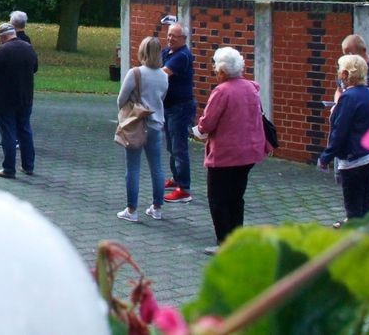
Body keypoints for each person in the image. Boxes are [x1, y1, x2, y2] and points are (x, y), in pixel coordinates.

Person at [192, 47, 268, 254]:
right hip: (248, 153)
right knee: (236, 197)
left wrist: (196, 130)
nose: (215, 72)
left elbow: (207, 124)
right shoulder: (251, 88)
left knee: (217, 198)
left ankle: (224, 243)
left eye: (216, 68)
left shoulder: (222, 91)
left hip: (225, 154)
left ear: (223, 71)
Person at [318, 54, 369, 225]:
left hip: (354, 161)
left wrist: (326, 157)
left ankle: (355, 246)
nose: (338, 73)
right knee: (365, 209)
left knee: (353, 212)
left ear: (345, 74)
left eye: (339, 70)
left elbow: (340, 131)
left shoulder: (348, 97)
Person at [115, 36, 169, 223]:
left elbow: (121, 98)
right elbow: (162, 97)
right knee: (157, 167)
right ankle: (157, 207)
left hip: (137, 123)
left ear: (143, 52)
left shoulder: (135, 72)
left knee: (133, 168)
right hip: (156, 124)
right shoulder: (163, 75)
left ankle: (132, 210)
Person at [335, 34, 369, 211]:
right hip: (349, 125)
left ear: (361, 51)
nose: (346, 56)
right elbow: (338, 90)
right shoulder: (345, 67)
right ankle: (353, 213)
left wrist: (359, 104)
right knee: (347, 177)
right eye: (344, 53)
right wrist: (339, 102)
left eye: (349, 52)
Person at [0, 23, 39, 179]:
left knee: (8, 132)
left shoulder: (1, 50)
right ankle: (28, 165)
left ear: (2, 36)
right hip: (25, 97)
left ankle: (8, 168)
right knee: (25, 130)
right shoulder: (28, 48)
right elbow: (35, 68)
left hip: (5, 98)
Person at [162, 22, 195, 203]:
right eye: (169, 34)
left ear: (183, 39)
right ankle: (176, 179)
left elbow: (162, 73)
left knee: (179, 148)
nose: (170, 38)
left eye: (174, 36)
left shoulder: (183, 55)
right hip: (168, 107)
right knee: (171, 147)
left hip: (180, 108)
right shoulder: (167, 52)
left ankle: (184, 189)